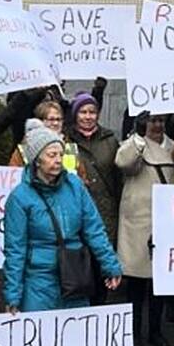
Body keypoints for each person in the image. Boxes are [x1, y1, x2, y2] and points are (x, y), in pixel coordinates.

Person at [2, 120, 122, 312]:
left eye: (60, 154)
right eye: (51, 155)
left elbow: (94, 228)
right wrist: (13, 295)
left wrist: (110, 265)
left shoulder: (75, 185)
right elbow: (15, 250)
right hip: (39, 282)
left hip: (75, 275)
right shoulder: (20, 198)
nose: (58, 160)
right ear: (36, 160)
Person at [115, 111, 174, 346]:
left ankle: (155, 331)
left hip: (164, 220)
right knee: (136, 283)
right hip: (137, 221)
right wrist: (138, 138)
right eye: (152, 120)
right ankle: (134, 333)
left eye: (161, 120)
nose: (157, 125)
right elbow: (123, 164)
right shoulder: (133, 145)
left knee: (159, 283)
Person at [67, 91, 121, 249]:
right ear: (75, 114)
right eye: (83, 112)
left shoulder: (110, 140)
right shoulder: (66, 140)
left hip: (106, 212)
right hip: (77, 211)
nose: (88, 117)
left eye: (92, 112)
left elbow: (118, 177)